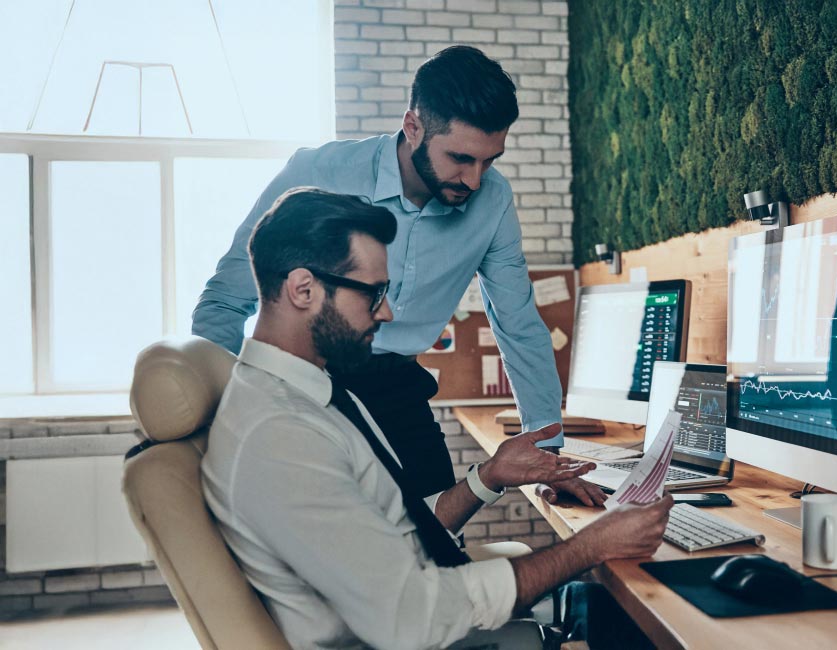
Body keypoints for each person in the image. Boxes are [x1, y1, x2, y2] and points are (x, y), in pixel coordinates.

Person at [201, 188, 672, 649]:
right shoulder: (279, 436)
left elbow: (401, 533)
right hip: (416, 632)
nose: (386, 312)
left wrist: (489, 476)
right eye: (374, 293)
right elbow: (411, 620)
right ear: (303, 289)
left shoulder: (311, 395)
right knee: (654, 616)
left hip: (416, 619)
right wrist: (589, 547)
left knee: (624, 608)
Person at [193, 45, 601, 505]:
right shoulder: (319, 172)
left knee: (444, 544)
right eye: (461, 158)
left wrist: (546, 455)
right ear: (413, 126)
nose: (474, 180)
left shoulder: (493, 200)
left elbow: (520, 327)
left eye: (490, 161)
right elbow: (226, 301)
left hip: (397, 389)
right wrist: (223, 421)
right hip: (306, 384)